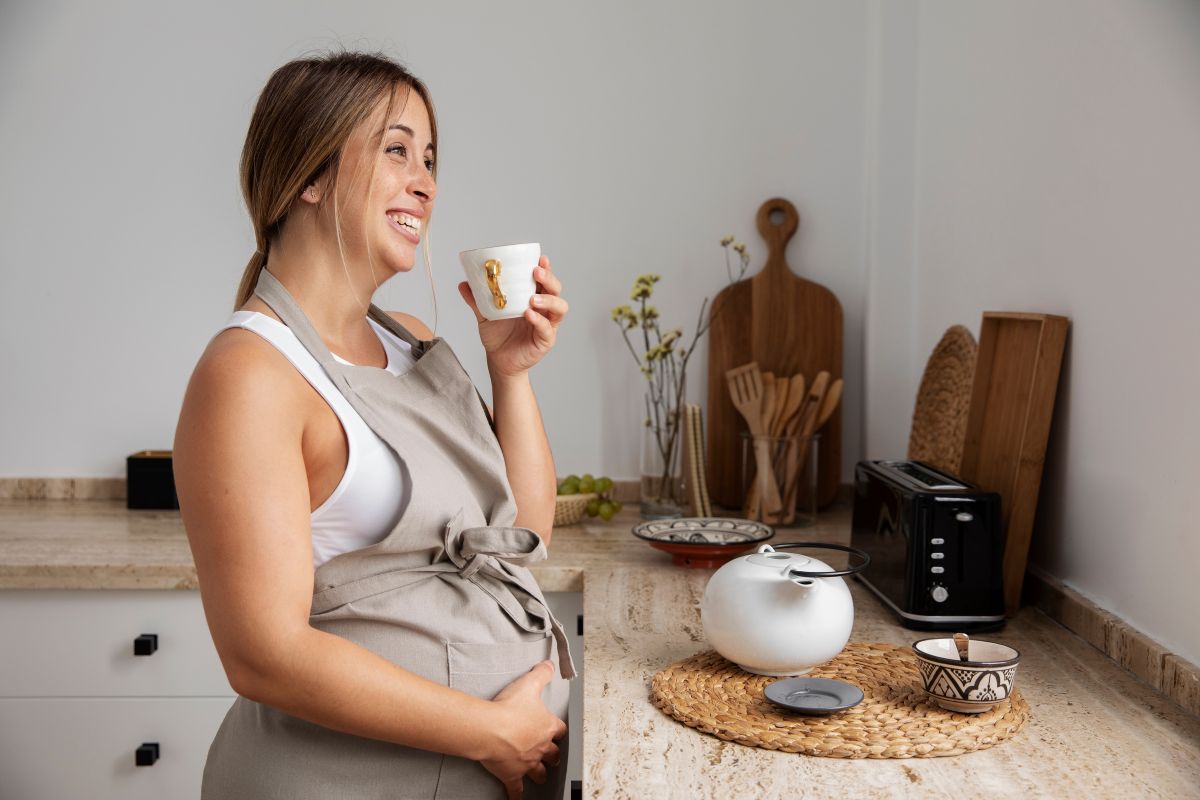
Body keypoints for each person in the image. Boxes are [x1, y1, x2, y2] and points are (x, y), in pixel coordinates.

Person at [173, 50, 574, 800]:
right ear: (308, 177)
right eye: (397, 150)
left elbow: (524, 530)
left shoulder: (411, 340)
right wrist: (490, 731)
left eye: (429, 158)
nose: (425, 181)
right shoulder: (249, 374)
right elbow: (264, 653)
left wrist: (509, 372)